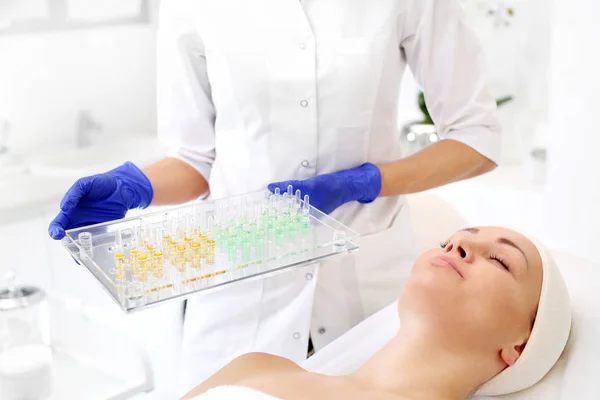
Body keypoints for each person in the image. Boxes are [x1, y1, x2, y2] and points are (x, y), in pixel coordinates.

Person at [48, 0, 503, 391]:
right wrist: (135, 187)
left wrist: (363, 182)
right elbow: (194, 157)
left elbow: (477, 137)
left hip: (365, 291)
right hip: (238, 296)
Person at [181, 226, 572, 400]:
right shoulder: (254, 367)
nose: (458, 247)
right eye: (450, 240)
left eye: (501, 261)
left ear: (519, 343)